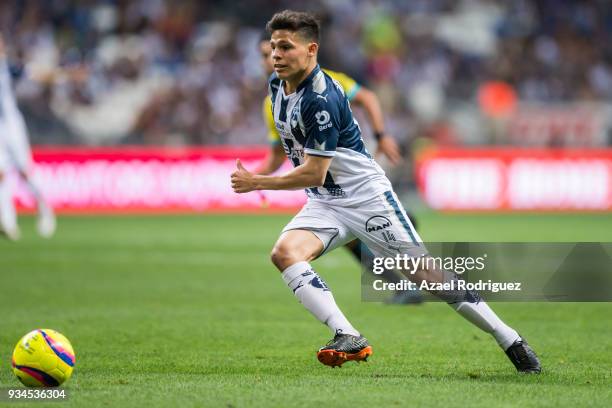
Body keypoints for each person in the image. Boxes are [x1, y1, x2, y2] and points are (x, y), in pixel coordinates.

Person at [231, 10, 540, 373]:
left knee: (429, 277)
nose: (276, 56)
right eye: (273, 48)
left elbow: (315, 170)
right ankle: (347, 335)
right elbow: (293, 154)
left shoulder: (322, 98)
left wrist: (259, 183)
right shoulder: (276, 88)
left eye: (285, 47)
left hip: (366, 199)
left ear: (311, 49)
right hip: (326, 202)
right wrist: (261, 173)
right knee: (284, 253)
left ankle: (510, 338)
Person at [256, 33, 423, 304]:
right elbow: (277, 154)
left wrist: (382, 135)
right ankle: (402, 284)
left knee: (361, 228)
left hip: (352, 159)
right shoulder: (271, 101)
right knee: (352, 237)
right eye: (266, 54)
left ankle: (397, 228)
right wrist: (256, 177)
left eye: (276, 50)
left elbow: (367, 97)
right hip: (323, 179)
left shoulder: (326, 81)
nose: (271, 58)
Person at [0, 37, 56, 240]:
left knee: (24, 171)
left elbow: (35, 75)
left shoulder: (8, 67)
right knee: (1, 173)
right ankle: (8, 221)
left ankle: (44, 207)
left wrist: (61, 75)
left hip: (11, 125)